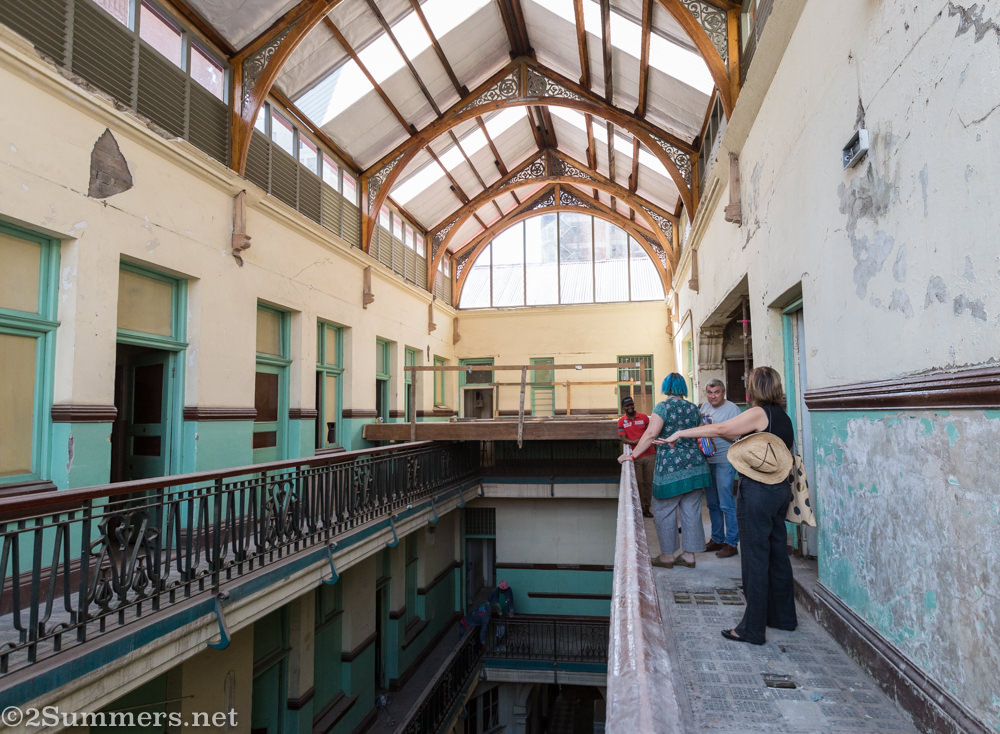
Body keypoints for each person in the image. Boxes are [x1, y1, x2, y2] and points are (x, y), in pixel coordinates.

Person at [661, 366, 797, 645]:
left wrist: (681, 433)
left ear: (754, 389)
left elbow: (723, 427)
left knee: (755, 559)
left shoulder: (758, 412)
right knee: (776, 555)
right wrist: (716, 432)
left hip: (758, 492)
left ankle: (752, 629)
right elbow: (739, 438)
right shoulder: (781, 416)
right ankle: (783, 618)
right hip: (779, 491)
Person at [618, 373, 710, 569]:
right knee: (691, 511)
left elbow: (651, 434)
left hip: (670, 465)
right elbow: (701, 433)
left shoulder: (663, 407)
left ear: (665, 387)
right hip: (695, 465)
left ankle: (667, 556)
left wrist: (632, 455)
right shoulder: (693, 408)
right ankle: (689, 556)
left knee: (663, 510)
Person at [700, 379, 742, 558]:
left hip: (725, 460)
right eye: (710, 392)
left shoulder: (732, 409)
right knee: (712, 504)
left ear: (723, 392)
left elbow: (738, 435)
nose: (713, 396)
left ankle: (731, 543)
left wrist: (714, 429)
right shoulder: (704, 408)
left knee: (726, 504)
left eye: (716, 392)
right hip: (708, 461)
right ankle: (717, 539)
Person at [617, 396, 655, 517]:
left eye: (631, 405)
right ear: (623, 407)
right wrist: (638, 442)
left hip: (649, 454)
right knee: (639, 483)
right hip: (635, 455)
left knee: (649, 482)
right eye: (627, 406)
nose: (630, 407)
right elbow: (623, 439)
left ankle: (646, 508)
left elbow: (651, 433)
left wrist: (640, 441)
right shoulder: (621, 421)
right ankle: (638, 508)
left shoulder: (644, 417)